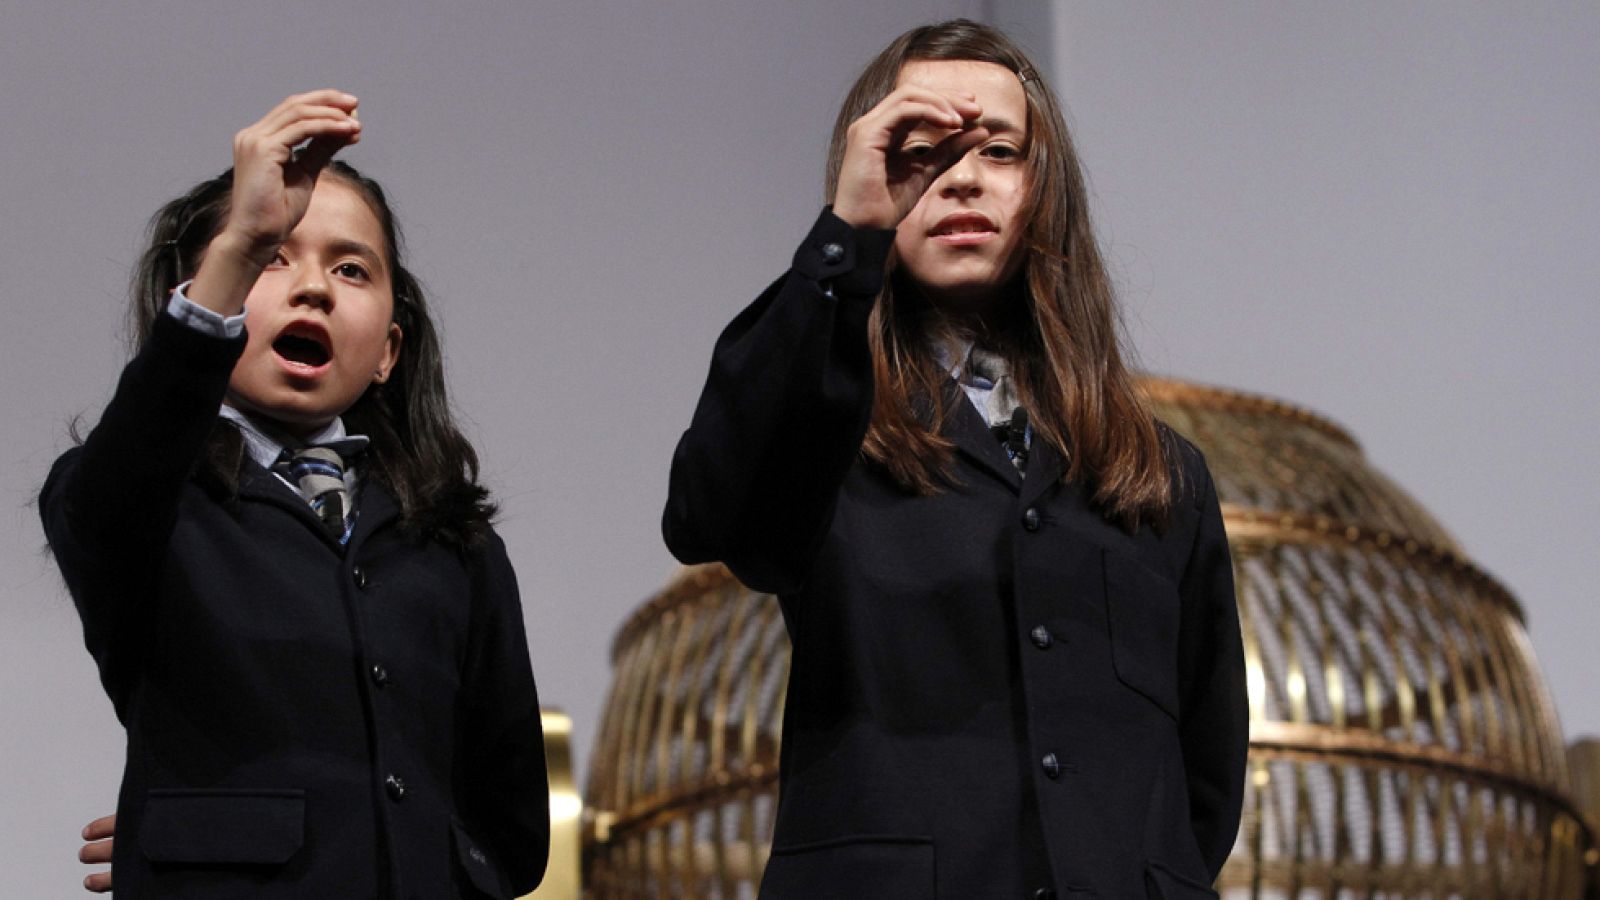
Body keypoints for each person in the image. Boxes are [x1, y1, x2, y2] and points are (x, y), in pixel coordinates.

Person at [663, 20, 1247, 899]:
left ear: (1046, 193)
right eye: (922, 151)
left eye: (1000, 152)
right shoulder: (823, 425)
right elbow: (707, 511)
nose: (962, 176)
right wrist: (847, 234)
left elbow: (1204, 778)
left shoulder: (1163, 475)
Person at [41, 91, 548, 899]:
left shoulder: (459, 545)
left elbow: (512, 826)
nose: (314, 287)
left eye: (351, 269)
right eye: (274, 257)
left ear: (388, 351)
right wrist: (201, 842)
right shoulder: (136, 498)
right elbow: (111, 497)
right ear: (203, 290)